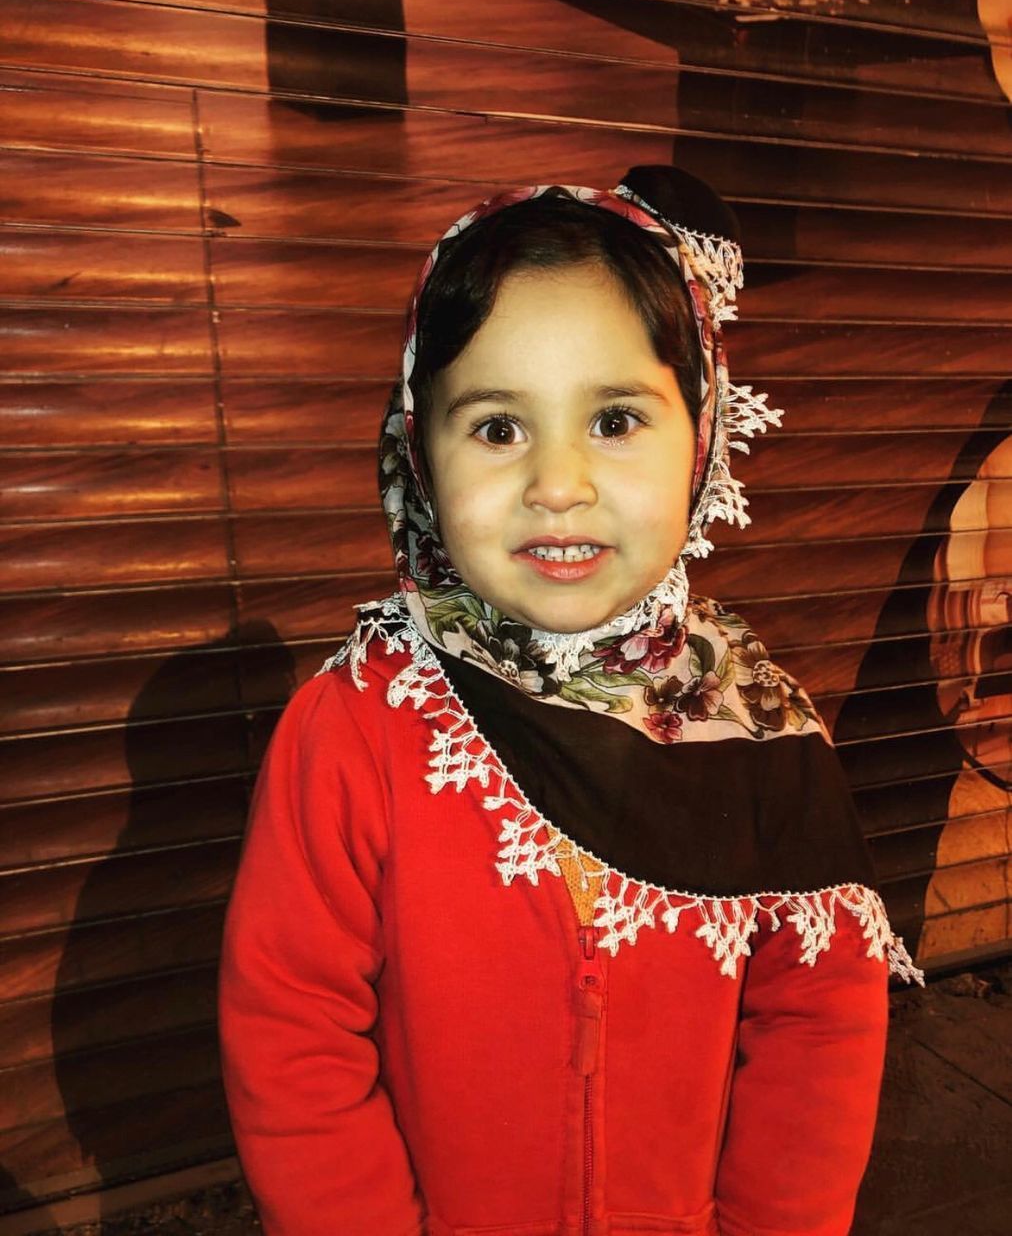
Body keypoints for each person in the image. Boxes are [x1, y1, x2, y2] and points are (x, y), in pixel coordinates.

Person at [217, 166, 926, 1236]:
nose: (557, 481)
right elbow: (292, 1034)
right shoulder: (359, 726)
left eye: (613, 418)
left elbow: (817, 1022)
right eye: (498, 427)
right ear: (420, 448)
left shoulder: (759, 729)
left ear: (703, 434)